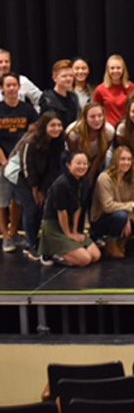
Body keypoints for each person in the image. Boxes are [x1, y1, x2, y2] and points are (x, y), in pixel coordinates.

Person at [90, 146, 134, 259]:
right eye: (123, 159)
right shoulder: (105, 178)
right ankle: (111, 243)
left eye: (129, 159)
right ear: (115, 160)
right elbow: (108, 206)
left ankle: (122, 239)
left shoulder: (132, 177)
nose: (126, 162)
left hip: (124, 214)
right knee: (120, 216)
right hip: (103, 218)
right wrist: (130, 207)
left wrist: (129, 218)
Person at [38, 151, 101, 267]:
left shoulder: (84, 182)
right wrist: (68, 234)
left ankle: (70, 248)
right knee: (85, 259)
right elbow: (62, 212)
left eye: (85, 163)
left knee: (95, 256)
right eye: (78, 163)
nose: (82, 166)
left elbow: (78, 207)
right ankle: (52, 253)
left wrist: (75, 231)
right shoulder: (61, 184)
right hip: (55, 225)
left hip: (70, 224)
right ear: (68, 165)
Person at [18, 113, 66, 258]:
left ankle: (38, 239)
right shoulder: (31, 141)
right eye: (52, 125)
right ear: (44, 126)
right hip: (21, 176)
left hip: (41, 177)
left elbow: (53, 168)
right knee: (31, 208)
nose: (56, 129)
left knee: (41, 207)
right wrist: (34, 188)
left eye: (59, 125)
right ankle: (30, 244)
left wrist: (43, 189)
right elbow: (26, 166)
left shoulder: (58, 142)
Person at [0, 73, 39, 252]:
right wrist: (3, 160)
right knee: (2, 201)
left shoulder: (28, 110)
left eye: (14, 85)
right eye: (7, 85)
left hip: (20, 163)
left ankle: (15, 232)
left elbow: (33, 136)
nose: (11, 88)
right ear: (2, 89)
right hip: (2, 161)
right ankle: (5, 236)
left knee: (18, 200)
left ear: (19, 87)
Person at [65, 101, 115, 194]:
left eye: (100, 116)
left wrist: (91, 174)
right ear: (85, 118)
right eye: (92, 117)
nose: (97, 119)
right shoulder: (73, 132)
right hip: (76, 159)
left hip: (96, 159)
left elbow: (102, 154)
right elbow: (74, 157)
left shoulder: (109, 131)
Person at [92, 54, 134, 128]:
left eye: (118, 68)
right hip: (107, 128)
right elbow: (95, 111)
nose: (115, 71)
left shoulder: (132, 88)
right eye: (112, 68)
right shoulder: (100, 90)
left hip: (128, 127)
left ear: (123, 70)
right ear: (108, 70)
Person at [39, 59, 80, 127]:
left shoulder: (74, 97)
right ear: (55, 78)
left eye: (71, 76)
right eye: (64, 76)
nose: (69, 79)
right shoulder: (47, 98)